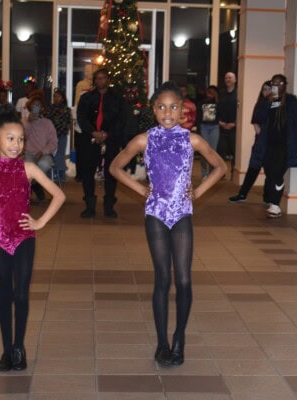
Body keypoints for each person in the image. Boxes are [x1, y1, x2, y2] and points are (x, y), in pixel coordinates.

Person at [110, 81, 227, 367]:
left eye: (173, 107)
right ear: (153, 109)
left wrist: (198, 191)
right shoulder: (144, 139)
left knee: (184, 278)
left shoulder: (193, 140)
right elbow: (115, 166)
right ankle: (162, 343)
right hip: (156, 214)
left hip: (182, 213)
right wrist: (140, 190)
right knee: (163, 278)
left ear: (183, 110)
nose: (167, 112)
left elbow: (221, 166)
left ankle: (179, 337)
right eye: (161, 107)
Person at [0, 109, 65, 372]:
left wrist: (39, 222)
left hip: (24, 239)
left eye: (20, 139)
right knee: (4, 295)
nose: (16, 145)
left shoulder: (28, 168)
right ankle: (7, 350)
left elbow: (58, 195)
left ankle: (19, 347)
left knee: (21, 294)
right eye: (10, 138)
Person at [252, 74, 297, 218]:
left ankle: (276, 205)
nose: (276, 86)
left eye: (279, 83)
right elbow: (258, 118)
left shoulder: (291, 101)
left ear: (284, 85)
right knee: (270, 172)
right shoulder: (267, 100)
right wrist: (267, 103)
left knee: (277, 173)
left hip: (285, 144)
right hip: (269, 143)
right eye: (273, 83)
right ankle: (272, 199)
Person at [76, 68, 124, 218]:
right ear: (94, 81)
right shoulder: (86, 98)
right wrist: (93, 132)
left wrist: (106, 134)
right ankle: (89, 206)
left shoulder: (117, 98)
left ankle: (109, 207)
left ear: (108, 80)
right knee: (87, 173)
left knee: (111, 173)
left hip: (110, 141)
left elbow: (121, 120)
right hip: (89, 140)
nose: (100, 81)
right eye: (97, 78)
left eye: (103, 78)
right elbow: (81, 117)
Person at [229, 80, 272, 203]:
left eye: (269, 89)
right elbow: (256, 123)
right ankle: (243, 194)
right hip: (260, 143)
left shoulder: (277, 105)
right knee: (253, 169)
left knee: (270, 172)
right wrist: (263, 138)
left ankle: (268, 197)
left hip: (273, 144)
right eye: (264, 89)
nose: (267, 91)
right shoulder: (260, 104)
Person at [23, 94, 58, 200]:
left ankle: (33, 184)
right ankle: (36, 185)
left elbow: (53, 142)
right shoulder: (25, 121)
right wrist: (29, 123)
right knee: (27, 167)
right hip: (29, 153)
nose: (36, 107)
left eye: (38, 105)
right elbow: (23, 137)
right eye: (34, 105)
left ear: (42, 108)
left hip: (45, 154)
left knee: (44, 164)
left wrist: (43, 152)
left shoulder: (48, 123)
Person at [45, 88, 71, 184]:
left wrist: (55, 129)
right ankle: (49, 176)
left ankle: (60, 177)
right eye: (54, 96)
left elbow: (64, 124)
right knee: (49, 155)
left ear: (63, 98)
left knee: (59, 156)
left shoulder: (66, 110)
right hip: (49, 136)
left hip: (61, 135)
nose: (56, 98)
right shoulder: (49, 108)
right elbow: (46, 121)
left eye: (58, 96)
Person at [197, 85, 219, 180]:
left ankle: (211, 172)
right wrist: (198, 128)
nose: (210, 94)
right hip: (204, 127)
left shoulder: (218, 103)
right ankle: (204, 173)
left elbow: (221, 114)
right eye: (209, 92)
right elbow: (198, 116)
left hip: (215, 127)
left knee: (213, 150)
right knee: (204, 150)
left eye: (213, 92)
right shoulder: (202, 103)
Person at [217, 72, 238, 175]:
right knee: (220, 152)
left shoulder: (239, 94)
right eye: (226, 78)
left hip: (235, 128)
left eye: (230, 78)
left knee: (235, 152)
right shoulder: (221, 94)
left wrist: (235, 123)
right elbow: (217, 109)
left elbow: (242, 111)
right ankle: (220, 174)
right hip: (222, 127)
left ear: (235, 80)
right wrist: (219, 121)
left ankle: (234, 174)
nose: (227, 80)